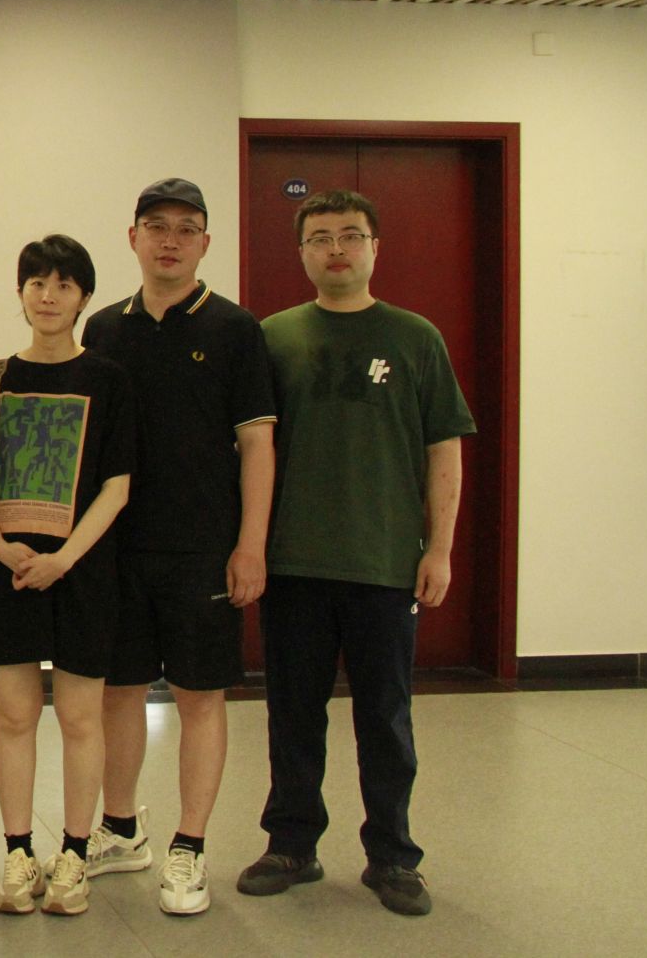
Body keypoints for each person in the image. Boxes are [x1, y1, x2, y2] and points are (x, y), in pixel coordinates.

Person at [238, 189, 473, 918]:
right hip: (294, 561)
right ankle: (291, 844)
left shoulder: (415, 339)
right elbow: (252, 449)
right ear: (301, 252)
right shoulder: (273, 338)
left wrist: (440, 548)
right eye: (320, 237)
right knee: (292, 715)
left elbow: (444, 450)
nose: (336, 248)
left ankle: (393, 856)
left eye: (350, 235)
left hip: (384, 562)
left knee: (386, 718)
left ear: (375, 247)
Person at [79, 179, 276, 916]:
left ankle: (190, 846)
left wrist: (250, 545)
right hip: (118, 549)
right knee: (118, 690)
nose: (170, 240)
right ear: (132, 236)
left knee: (199, 695)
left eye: (186, 228)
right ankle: (121, 828)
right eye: (156, 226)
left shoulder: (234, 328)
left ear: (205, 243)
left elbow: (257, 445)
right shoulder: (103, 328)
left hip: (203, 550)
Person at [0, 235, 134, 919]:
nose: (48, 295)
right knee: (14, 714)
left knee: (80, 715)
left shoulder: (108, 379)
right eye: (36, 282)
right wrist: (1, 546)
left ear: (84, 296)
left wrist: (65, 558)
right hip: (6, 568)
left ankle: (74, 852)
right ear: (20, 292)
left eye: (63, 284)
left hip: (84, 571)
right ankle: (17, 852)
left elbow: (118, 484)